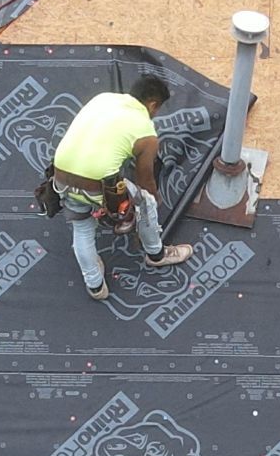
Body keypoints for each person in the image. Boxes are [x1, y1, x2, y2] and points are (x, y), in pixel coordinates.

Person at [49, 74, 193, 300]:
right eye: (157, 110)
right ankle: (156, 254)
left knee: (82, 228)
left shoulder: (103, 98)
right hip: (95, 185)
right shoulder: (146, 132)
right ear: (152, 104)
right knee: (145, 204)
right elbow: (145, 179)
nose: (155, 115)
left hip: (60, 175)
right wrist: (153, 198)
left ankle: (95, 286)